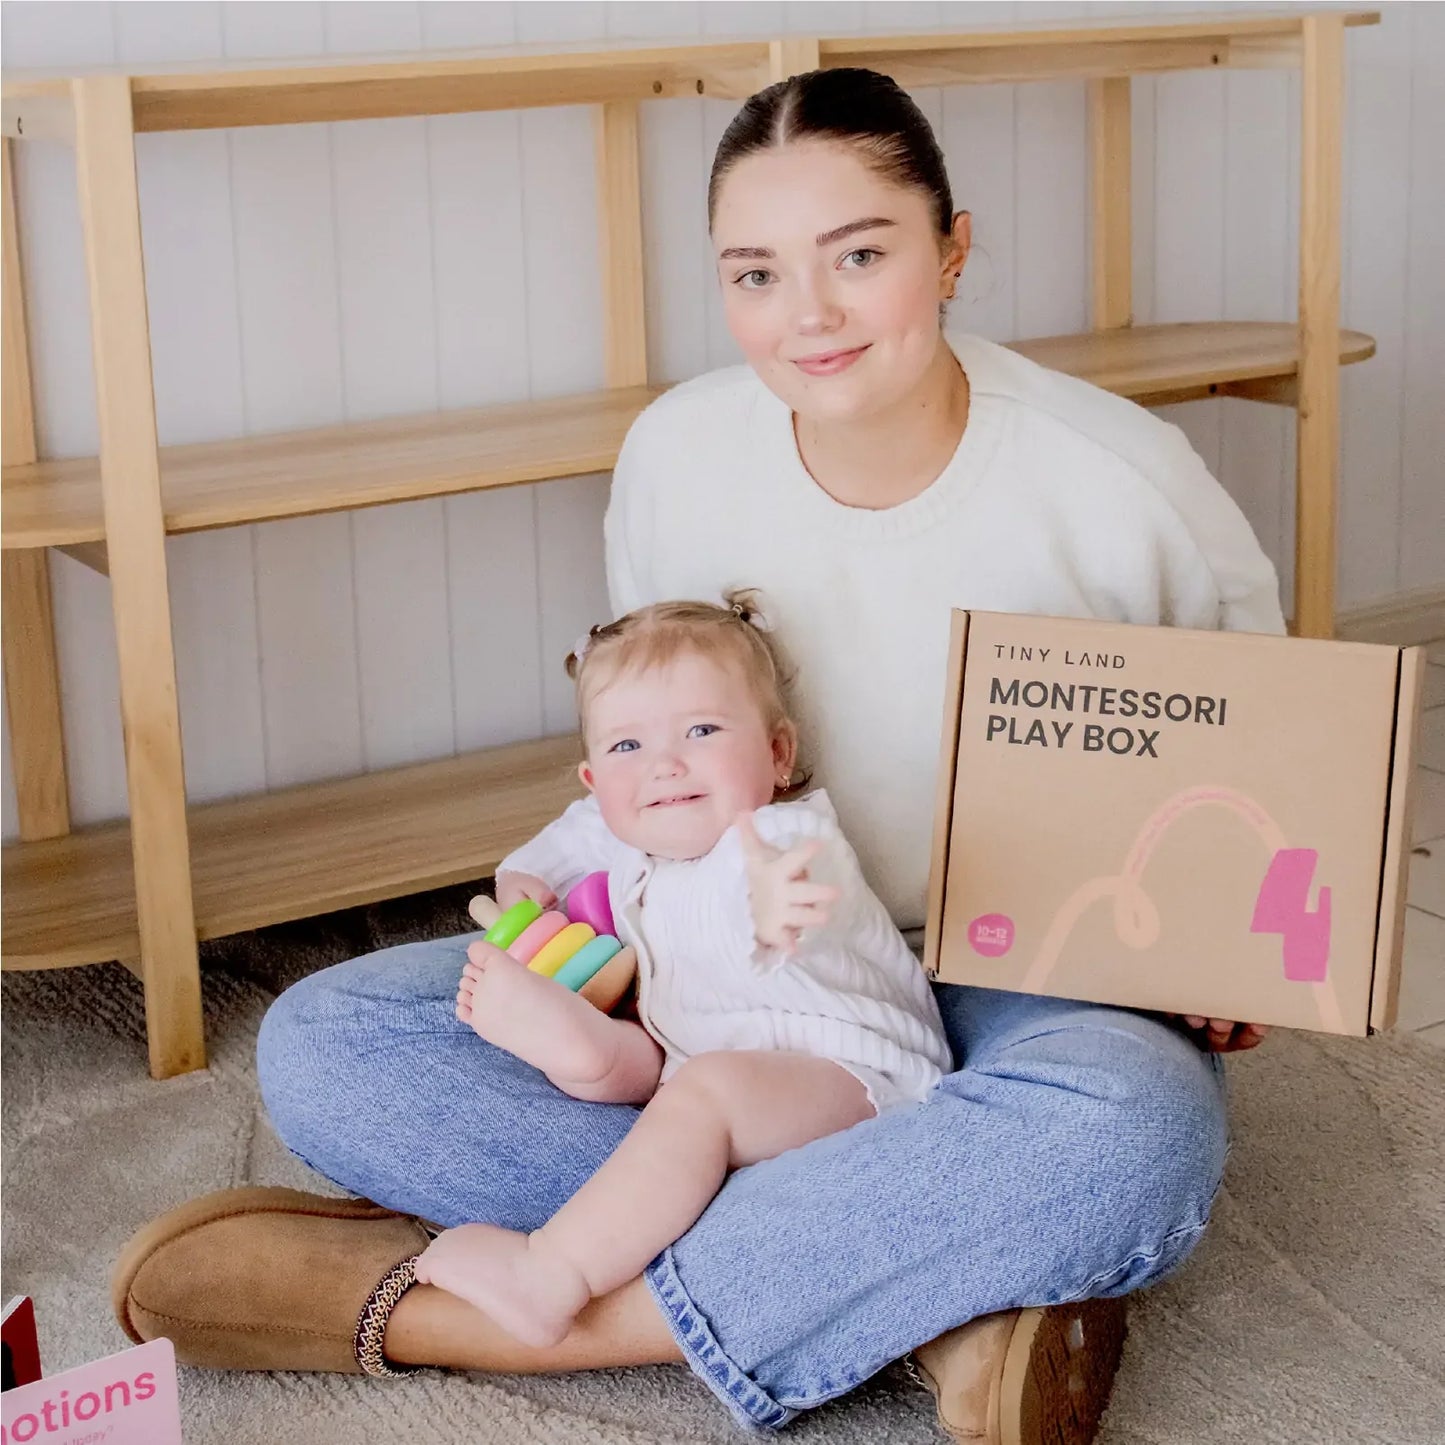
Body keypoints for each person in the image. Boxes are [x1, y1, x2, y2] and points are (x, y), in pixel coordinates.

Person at [113, 66, 1273, 1445]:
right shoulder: (678, 455)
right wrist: (583, 965)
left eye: (860, 254)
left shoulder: (1127, 479)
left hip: (1029, 979)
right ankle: (936, 1287)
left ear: (953, 247)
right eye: (757, 273)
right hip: (734, 984)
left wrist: (1227, 949)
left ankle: (490, 1317)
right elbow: (651, 744)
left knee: (1130, 1141)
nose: (812, 316)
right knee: (328, 1042)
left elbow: (1257, 791)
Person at [420, 595, 953, 1348]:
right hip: (696, 1052)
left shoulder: (777, 833)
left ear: (776, 752)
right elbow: (572, 836)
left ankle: (551, 1272)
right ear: (592, 776)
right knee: (635, 1058)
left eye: (701, 731)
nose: (665, 764)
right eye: (626, 747)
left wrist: (775, 906)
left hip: (854, 1074)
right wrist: (526, 882)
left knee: (703, 1094)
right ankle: (581, 1047)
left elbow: (790, 882)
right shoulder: (629, 835)